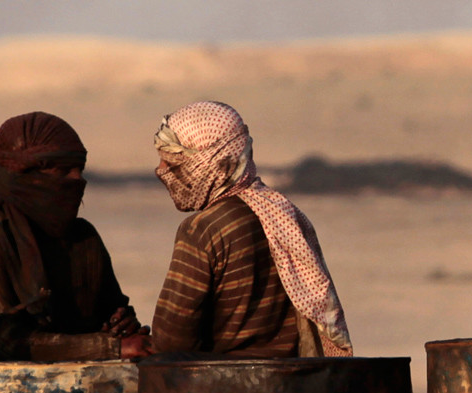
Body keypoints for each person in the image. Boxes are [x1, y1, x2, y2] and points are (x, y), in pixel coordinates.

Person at [150, 101, 353, 358]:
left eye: (172, 162)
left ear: (208, 161)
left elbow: (171, 340)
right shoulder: (283, 213)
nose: (161, 171)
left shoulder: (203, 230)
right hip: (294, 382)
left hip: (226, 388)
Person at [0, 111, 154, 361]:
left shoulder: (84, 237)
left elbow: (112, 309)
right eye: (64, 170)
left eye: (80, 169)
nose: (77, 180)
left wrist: (122, 326)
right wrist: (109, 347)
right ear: (27, 174)